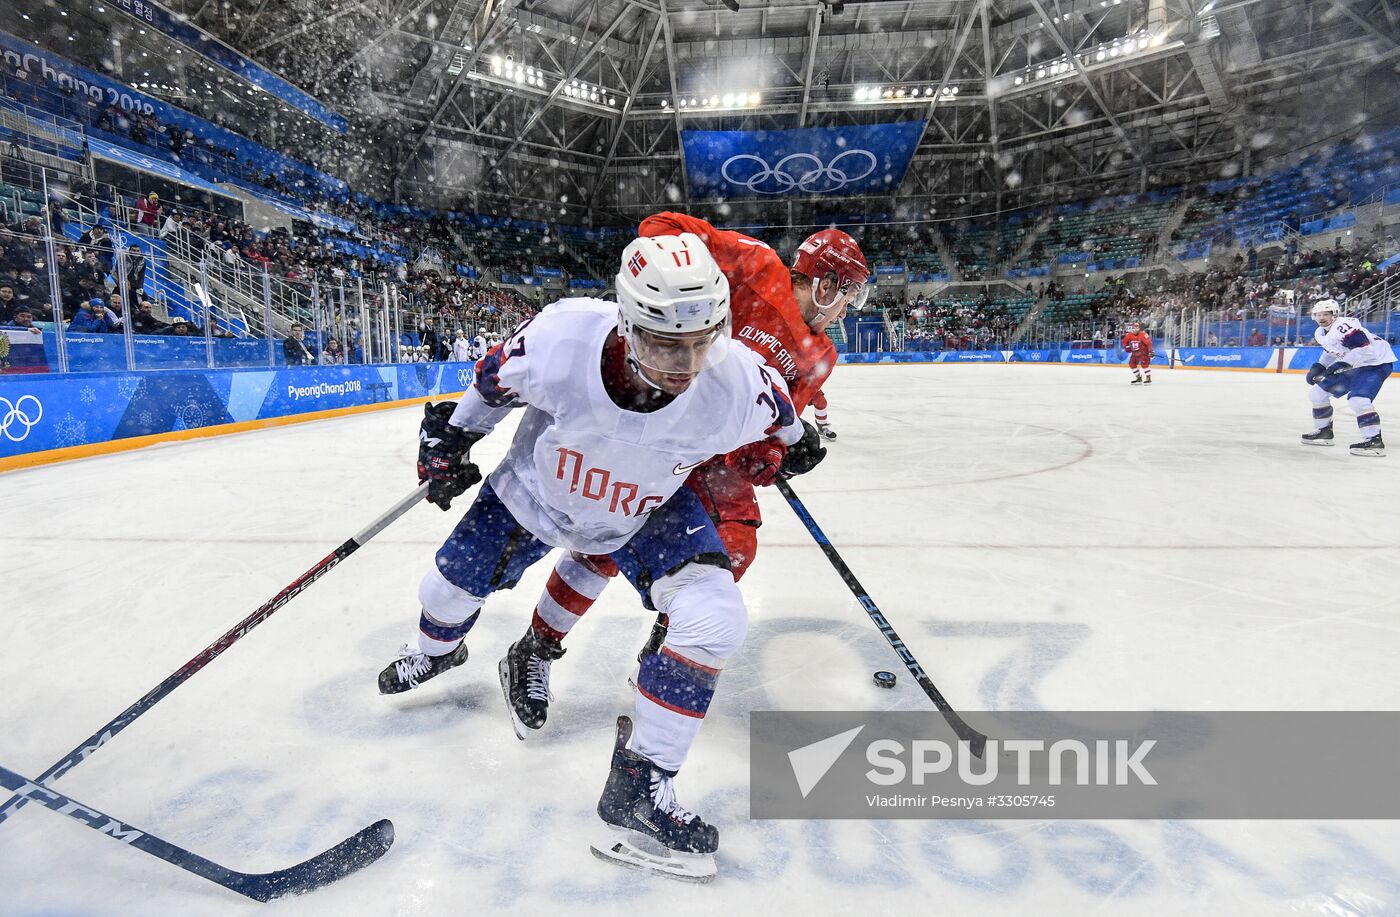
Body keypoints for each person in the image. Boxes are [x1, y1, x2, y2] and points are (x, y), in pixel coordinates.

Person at [376, 233, 816, 882]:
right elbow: (493, 380)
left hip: (643, 509)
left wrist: (794, 447)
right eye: (667, 344)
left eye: (703, 341)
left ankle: (641, 785)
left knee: (715, 616)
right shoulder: (563, 339)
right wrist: (452, 436)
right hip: (534, 493)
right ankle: (437, 650)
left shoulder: (735, 379)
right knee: (443, 593)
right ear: (627, 323)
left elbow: (784, 419)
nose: (688, 364)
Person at [505, 214, 866, 738]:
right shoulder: (759, 267)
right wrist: (668, 276)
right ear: (827, 283)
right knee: (607, 541)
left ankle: (665, 651)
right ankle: (535, 648)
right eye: (850, 293)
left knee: (734, 546)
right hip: (659, 428)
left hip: (713, 454)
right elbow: (661, 226)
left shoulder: (822, 355)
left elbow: (769, 428)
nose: (850, 308)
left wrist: (774, 456)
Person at [1301, 298, 1395, 456]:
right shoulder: (1320, 332)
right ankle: (1324, 432)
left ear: (1334, 315)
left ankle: (1374, 441)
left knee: (1359, 400)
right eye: (1318, 314)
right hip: (1356, 364)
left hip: (1375, 363)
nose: (1322, 317)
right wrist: (1319, 367)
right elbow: (1331, 351)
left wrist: (1342, 364)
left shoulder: (1344, 326)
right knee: (1317, 394)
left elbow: (1364, 348)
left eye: (1326, 314)